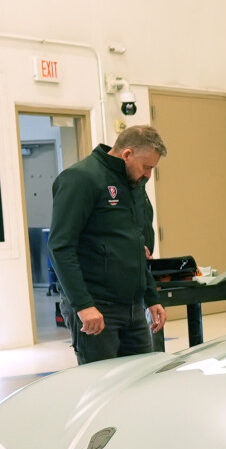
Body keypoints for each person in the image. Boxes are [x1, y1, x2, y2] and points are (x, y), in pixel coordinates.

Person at [48, 125, 168, 365]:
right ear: (127, 154)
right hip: (98, 307)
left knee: (141, 378)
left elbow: (137, 245)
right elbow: (61, 247)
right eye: (147, 167)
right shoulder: (81, 179)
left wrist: (151, 297)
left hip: (133, 307)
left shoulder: (133, 186)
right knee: (102, 386)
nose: (148, 175)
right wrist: (84, 306)